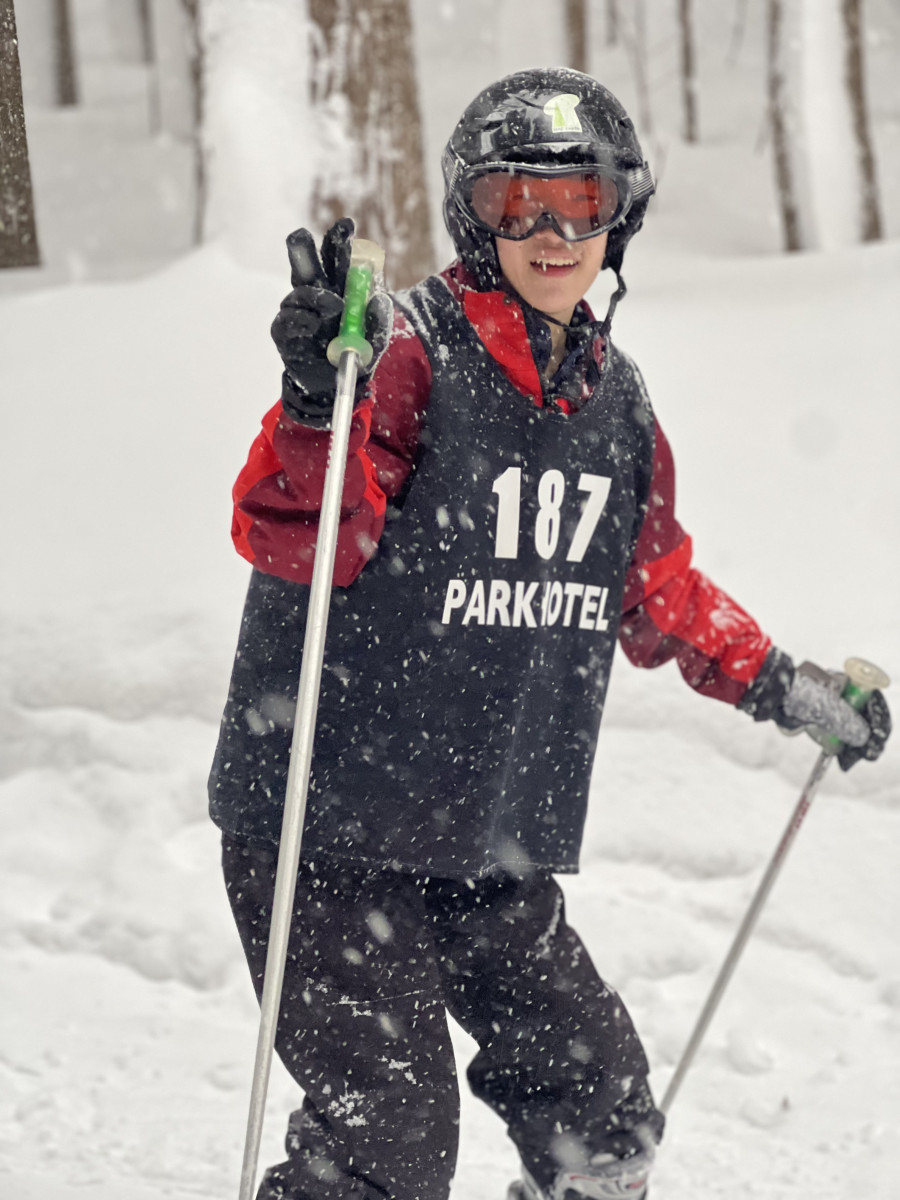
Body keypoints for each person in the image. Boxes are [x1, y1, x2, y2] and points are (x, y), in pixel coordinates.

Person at [209, 68, 890, 1200]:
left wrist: (785, 685)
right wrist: (320, 407)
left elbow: (655, 588)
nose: (551, 233)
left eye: (583, 202)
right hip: (331, 828)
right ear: (470, 215)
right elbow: (301, 537)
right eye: (515, 201)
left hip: (484, 829)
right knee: (391, 1147)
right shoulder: (405, 356)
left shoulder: (618, 406)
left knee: (602, 1113)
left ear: (622, 216)